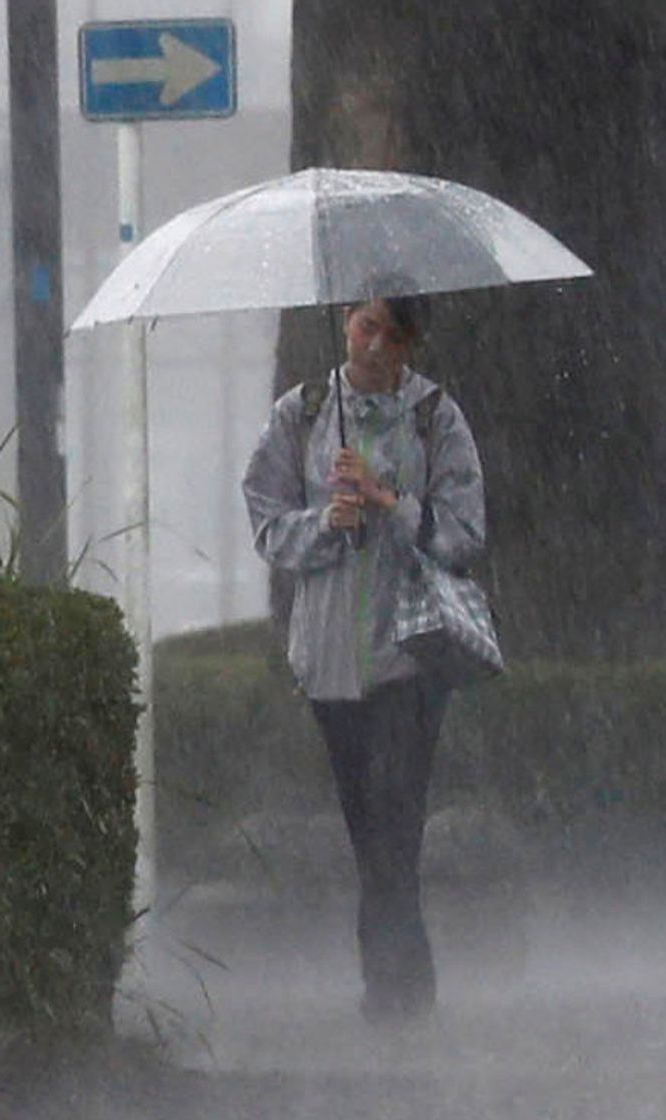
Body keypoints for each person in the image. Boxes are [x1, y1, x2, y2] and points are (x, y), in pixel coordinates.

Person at [241, 287, 487, 1023]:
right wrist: (326, 522)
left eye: (393, 336)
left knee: (395, 814)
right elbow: (265, 520)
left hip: (410, 653)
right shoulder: (303, 413)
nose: (374, 347)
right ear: (347, 322)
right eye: (366, 327)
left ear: (412, 346)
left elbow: (465, 532)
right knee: (367, 823)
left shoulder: (435, 416)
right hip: (329, 658)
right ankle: (400, 978)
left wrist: (390, 502)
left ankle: (395, 988)